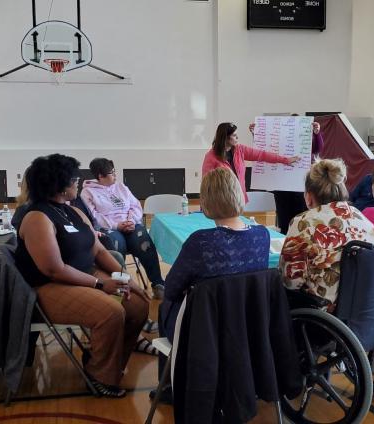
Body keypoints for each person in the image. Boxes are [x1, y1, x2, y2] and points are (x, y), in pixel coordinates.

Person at [13, 154, 149, 397]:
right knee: (112, 311)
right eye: (73, 178)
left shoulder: (72, 211)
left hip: (84, 277)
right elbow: (53, 269)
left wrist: (124, 278)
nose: (78, 182)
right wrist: (100, 283)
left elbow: (97, 250)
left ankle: (106, 361)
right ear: (58, 185)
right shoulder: (37, 218)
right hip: (49, 288)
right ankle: (100, 375)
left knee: (138, 304)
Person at [153, 167, 271, 403]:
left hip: (204, 329)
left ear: (205, 202)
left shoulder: (201, 242)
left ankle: (170, 387)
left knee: (164, 307)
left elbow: (173, 288)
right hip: (248, 324)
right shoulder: (262, 235)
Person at [280, 158, 374, 304]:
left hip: (321, 312)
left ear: (309, 197)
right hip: (366, 306)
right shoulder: (360, 216)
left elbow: (289, 281)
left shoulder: (303, 222)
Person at [80, 158, 167, 300]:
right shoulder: (88, 192)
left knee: (143, 240)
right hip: (108, 228)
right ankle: (125, 287)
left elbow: (135, 205)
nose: (115, 176)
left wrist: (131, 221)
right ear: (100, 176)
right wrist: (116, 225)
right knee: (115, 243)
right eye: (111, 173)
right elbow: (94, 216)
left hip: (129, 224)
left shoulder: (121, 187)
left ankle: (158, 283)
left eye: (115, 172)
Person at [249, 117, 325, 235]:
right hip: (281, 185)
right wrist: (256, 133)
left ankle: (298, 240)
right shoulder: (279, 142)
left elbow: (318, 148)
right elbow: (264, 148)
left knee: (301, 218)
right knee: (284, 221)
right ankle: (285, 242)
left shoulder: (305, 142)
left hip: (300, 186)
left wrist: (317, 133)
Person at [202, 122, 301, 202]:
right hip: (221, 201)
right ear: (225, 138)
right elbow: (206, 184)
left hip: (238, 199)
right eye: (234, 135)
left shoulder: (240, 149)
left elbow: (263, 155)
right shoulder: (211, 157)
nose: (237, 137)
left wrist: (285, 160)